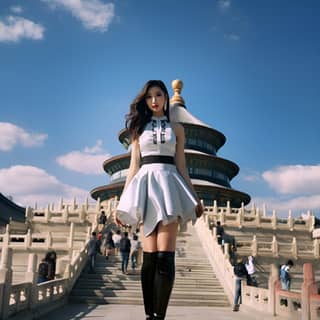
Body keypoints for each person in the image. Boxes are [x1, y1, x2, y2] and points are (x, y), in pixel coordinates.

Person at [116, 80, 203, 320]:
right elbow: (133, 166)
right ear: (145, 101)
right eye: (149, 96)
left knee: (165, 256)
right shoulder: (138, 130)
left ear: (166, 98)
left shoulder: (177, 129)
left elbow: (182, 166)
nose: (154, 100)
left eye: (158, 95)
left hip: (169, 187)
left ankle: (159, 316)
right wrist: (122, 202)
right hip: (146, 188)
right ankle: (149, 314)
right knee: (149, 259)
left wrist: (194, 197)